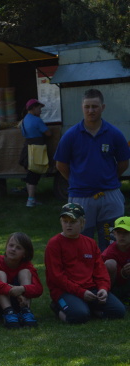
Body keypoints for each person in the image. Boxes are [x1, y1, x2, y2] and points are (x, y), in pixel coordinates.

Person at [54, 89, 130, 250]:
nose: (91, 110)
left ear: (103, 107)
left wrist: (110, 178)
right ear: (82, 107)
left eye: (94, 106)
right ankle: (84, 267)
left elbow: (124, 162)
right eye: (87, 106)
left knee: (110, 241)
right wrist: (76, 180)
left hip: (109, 196)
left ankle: (108, 266)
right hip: (81, 197)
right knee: (81, 242)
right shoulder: (71, 135)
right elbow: (61, 165)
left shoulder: (114, 134)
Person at [45, 203, 126, 324]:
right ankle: (58, 307)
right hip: (65, 291)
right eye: (65, 221)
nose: (68, 225)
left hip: (91, 289)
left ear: (82, 223)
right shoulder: (54, 244)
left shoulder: (90, 243)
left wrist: (103, 288)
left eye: (73, 221)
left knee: (119, 311)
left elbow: (100, 270)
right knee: (78, 316)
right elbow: (56, 277)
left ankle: (88, 308)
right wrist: (81, 292)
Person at [0, 232, 43, 329]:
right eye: (11, 245)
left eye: (18, 248)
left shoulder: (27, 265)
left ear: (25, 254)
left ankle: (25, 311)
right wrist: (13, 290)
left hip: (19, 302)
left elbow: (38, 289)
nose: (13, 249)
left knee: (25, 272)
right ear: (6, 246)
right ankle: (9, 313)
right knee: (0, 274)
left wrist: (22, 289)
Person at [19, 99, 52, 207]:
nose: (40, 110)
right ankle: (31, 200)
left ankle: (31, 199)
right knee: (34, 174)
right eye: (39, 108)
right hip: (36, 149)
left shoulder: (24, 120)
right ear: (33, 108)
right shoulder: (37, 120)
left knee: (30, 173)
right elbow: (48, 133)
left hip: (27, 148)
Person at [102, 216, 130, 305]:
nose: (122, 236)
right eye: (119, 232)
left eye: (126, 232)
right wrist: (122, 273)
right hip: (115, 285)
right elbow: (101, 276)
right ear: (114, 234)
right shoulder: (109, 253)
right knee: (110, 264)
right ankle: (110, 296)